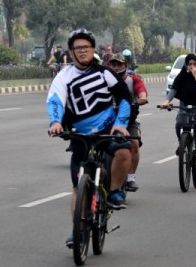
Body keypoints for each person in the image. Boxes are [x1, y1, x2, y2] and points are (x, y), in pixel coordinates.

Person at [46, 29, 133, 248]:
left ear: (93, 50)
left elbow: (124, 97)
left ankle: (114, 192)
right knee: (77, 187)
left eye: (86, 47)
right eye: (78, 48)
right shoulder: (64, 76)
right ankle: (77, 231)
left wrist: (120, 124)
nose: (82, 51)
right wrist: (55, 122)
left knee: (124, 151)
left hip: (107, 131)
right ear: (71, 52)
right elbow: (56, 100)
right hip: (80, 135)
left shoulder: (105, 73)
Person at [159, 54, 196, 181]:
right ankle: (182, 143)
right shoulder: (181, 76)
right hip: (185, 108)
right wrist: (167, 101)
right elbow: (174, 89)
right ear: (186, 65)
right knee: (179, 124)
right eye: (190, 64)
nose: (192, 66)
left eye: (195, 64)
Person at [109, 53, 148, 192]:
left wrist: (140, 99)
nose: (116, 67)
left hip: (128, 122)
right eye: (113, 65)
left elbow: (142, 93)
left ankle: (130, 178)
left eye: (119, 64)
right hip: (106, 123)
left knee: (135, 144)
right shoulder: (103, 81)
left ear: (125, 66)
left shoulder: (133, 80)